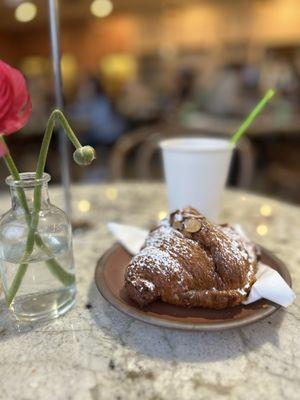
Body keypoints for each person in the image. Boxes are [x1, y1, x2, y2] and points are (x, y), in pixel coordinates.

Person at [69, 75, 125, 146]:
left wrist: (74, 123)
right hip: (92, 136)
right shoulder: (81, 101)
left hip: (108, 136)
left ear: (95, 87)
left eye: (87, 86)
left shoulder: (101, 101)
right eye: (82, 86)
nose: (84, 88)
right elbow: (72, 115)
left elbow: (91, 124)